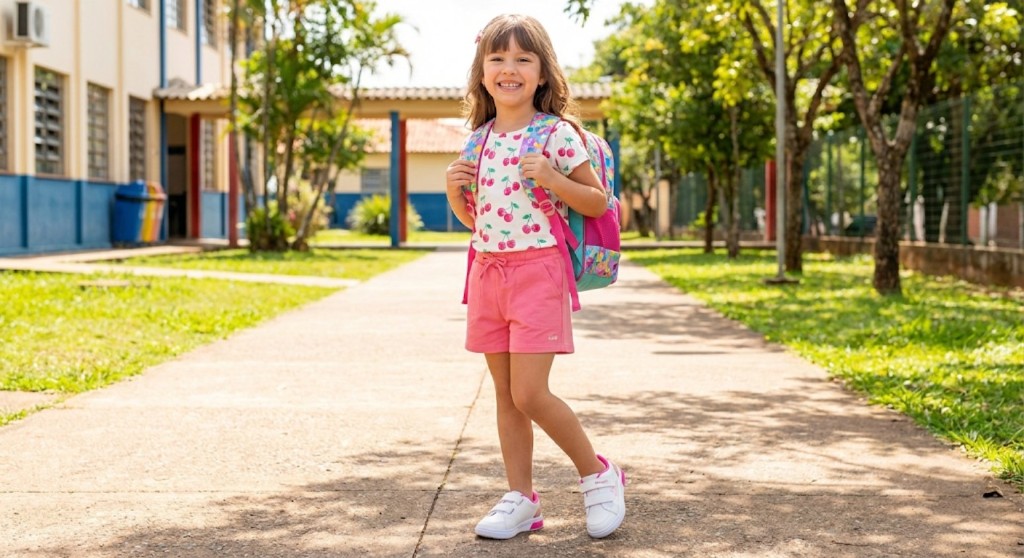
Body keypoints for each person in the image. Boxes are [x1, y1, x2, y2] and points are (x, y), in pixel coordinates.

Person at [444, 13, 627, 540]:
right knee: (505, 395)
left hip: (538, 272)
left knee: (530, 392)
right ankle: (521, 497)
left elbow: (599, 202)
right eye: (497, 58)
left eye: (524, 59)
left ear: (543, 73)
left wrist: (550, 176)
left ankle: (598, 473)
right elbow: (478, 220)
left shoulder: (557, 135)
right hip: (486, 272)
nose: (509, 68)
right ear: (481, 72)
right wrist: (456, 195)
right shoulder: (476, 140)